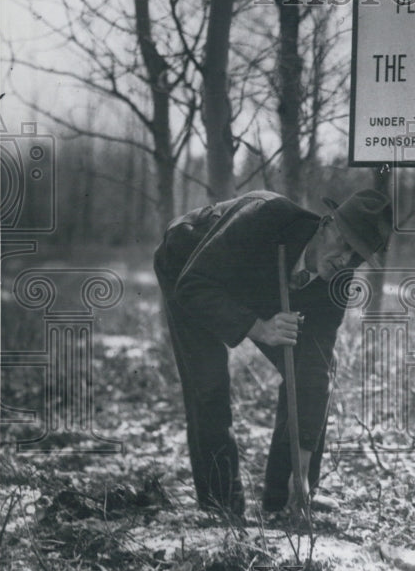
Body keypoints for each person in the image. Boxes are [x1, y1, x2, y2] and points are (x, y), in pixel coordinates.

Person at [153, 188, 392, 520]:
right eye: (345, 246)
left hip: (256, 284)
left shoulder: (337, 281)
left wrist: (303, 463)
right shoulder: (265, 215)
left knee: (319, 368)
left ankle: (286, 498)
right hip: (189, 264)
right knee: (209, 382)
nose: (346, 261)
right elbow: (193, 285)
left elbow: (315, 363)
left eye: (358, 257)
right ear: (327, 225)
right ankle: (221, 507)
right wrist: (257, 326)